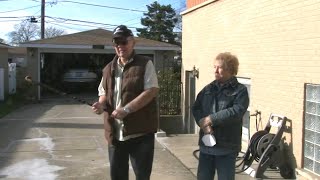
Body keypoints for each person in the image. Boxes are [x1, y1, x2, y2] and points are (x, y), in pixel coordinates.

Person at [91, 25, 159, 180]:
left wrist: (126, 109)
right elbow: (103, 93)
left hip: (140, 134)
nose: (120, 46)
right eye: (117, 42)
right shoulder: (108, 68)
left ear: (133, 42)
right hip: (115, 136)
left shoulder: (145, 63)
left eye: (124, 41)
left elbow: (151, 91)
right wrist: (101, 105)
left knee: (142, 176)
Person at [192, 52, 249, 180]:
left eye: (220, 67)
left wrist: (210, 119)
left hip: (226, 148)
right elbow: (196, 107)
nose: (215, 70)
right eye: (214, 67)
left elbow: (237, 111)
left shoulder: (240, 91)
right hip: (206, 147)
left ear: (230, 69)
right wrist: (203, 122)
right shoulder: (208, 89)